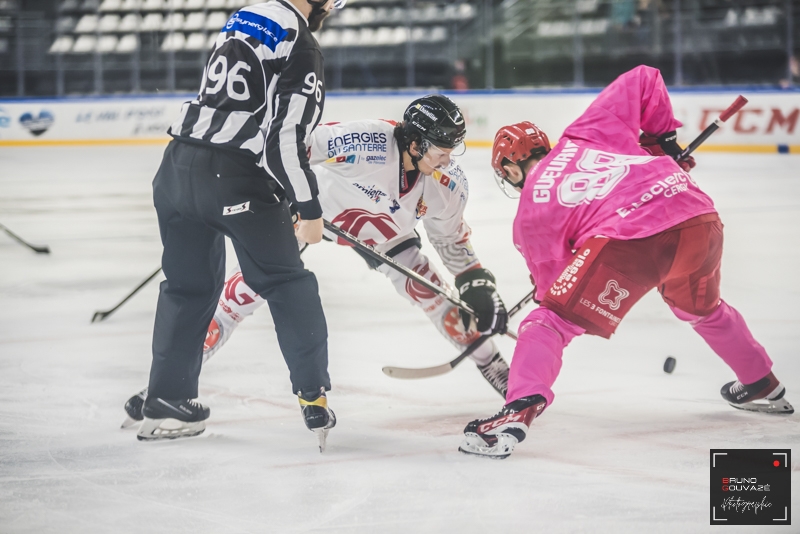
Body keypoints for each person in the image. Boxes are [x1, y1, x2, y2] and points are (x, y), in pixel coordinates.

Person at [458, 65, 794, 460]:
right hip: (698, 217)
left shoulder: (530, 214)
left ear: (511, 170)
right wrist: (662, 144)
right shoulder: (584, 134)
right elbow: (643, 79)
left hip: (635, 241)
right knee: (702, 309)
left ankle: (515, 414)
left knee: (547, 323)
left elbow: (553, 291)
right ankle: (761, 382)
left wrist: (551, 295)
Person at [124, 95, 510, 429]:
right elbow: (292, 147)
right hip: (316, 216)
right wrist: (282, 194)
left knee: (433, 293)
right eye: (441, 150)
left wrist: (474, 281)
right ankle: (168, 385)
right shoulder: (369, 140)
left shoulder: (447, 183)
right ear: (413, 142)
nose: (447, 159)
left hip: (388, 235)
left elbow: (450, 238)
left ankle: (499, 371)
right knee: (242, 292)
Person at [137, 0, 346, 444]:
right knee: (288, 282)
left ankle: (167, 400)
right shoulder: (301, 43)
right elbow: (284, 140)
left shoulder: (244, 15)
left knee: (188, 287)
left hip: (176, 167)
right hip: (232, 178)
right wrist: (308, 208)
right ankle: (313, 394)